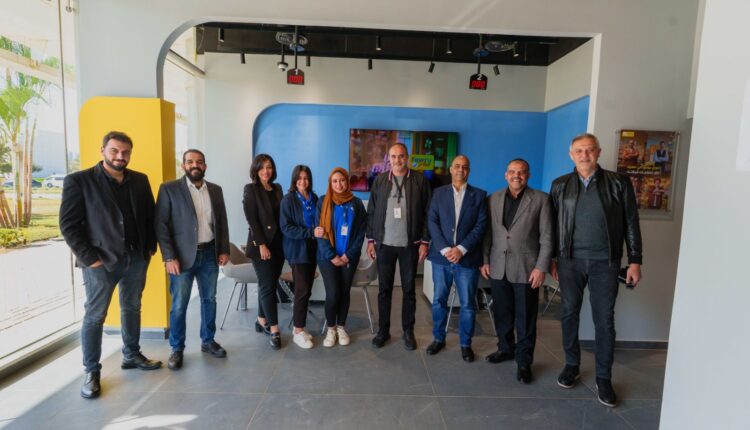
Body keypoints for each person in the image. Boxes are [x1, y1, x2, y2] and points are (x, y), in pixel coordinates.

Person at [59, 131, 161, 399]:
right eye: (115, 150)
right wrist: (90, 258)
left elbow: (150, 216)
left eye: (125, 152)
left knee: (132, 307)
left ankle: (131, 354)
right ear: (103, 150)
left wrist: (150, 248)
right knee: (95, 316)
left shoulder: (140, 180)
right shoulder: (79, 181)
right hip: (100, 262)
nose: (120, 156)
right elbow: (68, 225)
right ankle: (91, 371)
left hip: (136, 258)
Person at [549, 133, 643, 408]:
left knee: (604, 320)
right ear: (571, 154)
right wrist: (553, 259)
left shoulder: (618, 183)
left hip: (606, 262)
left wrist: (635, 260)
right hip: (569, 261)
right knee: (568, 314)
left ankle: (604, 378)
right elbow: (553, 226)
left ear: (598, 152)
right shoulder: (560, 185)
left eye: (589, 150)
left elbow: (631, 222)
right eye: (579, 151)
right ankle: (571, 365)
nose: (584, 155)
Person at [154, 149, 230, 370]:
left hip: (209, 254)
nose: (194, 165)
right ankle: (177, 348)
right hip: (181, 257)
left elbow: (222, 221)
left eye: (199, 162)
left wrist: (223, 249)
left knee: (210, 299)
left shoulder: (215, 190)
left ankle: (208, 341)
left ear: (205, 166)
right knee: (179, 305)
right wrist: (169, 257)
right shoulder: (169, 189)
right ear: (183, 165)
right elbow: (161, 225)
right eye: (190, 162)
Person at [480, 159, 553, 384]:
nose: (516, 176)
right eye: (512, 172)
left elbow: (547, 237)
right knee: (502, 313)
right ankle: (505, 348)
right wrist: (485, 260)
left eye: (521, 172)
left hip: (527, 269)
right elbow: (488, 234)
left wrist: (541, 267)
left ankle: (524, 361)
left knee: (525, 318)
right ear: (506, 175)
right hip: (498, 266)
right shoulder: (493, 199)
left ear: (528, 175)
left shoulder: (541, 199)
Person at [366, 143, 432, 350]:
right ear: (389, 159)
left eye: (401, 156)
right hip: (384, 245)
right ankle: (383, 331)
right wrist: (370, 240)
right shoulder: (380, 181)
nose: (397, 160)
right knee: (384, 290)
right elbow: (372, 211)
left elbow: (428, 213)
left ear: (407, 157)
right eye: (393, 156)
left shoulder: (420, 180)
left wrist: (424, 242)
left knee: (409, 290)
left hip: (410, 245)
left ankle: (408, 331)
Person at [424, 155, 487, 362]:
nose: (461, 170)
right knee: (438, 301)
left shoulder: (479, 195)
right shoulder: (438, 193)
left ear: (469, 171)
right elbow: (432, 222)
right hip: (441, 259)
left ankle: (465, 344)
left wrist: (460, 249)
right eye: (457, 166)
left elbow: (480, 226)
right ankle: (438, 339)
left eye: (465, 167)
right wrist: (445, 249)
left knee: (468, 304)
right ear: (451, 169)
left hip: (467, 260)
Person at [314, 167, 367, 347]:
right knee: (333, 293)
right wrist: (332, 256)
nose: (339, 184)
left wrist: (347, 256)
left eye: (342, 180)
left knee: (344, 292)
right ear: (330, 183)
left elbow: (360, 233)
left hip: (348, 258)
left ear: (347, 182)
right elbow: (319, 232)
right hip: (326, 258)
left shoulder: (357, 203)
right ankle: (331, 329)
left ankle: (341, 327)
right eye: (335, 181)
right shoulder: (323, 202)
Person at [243, 153, 285, 350]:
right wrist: (261, 244)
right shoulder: (251, 189)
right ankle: (274, 329)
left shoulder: (277, 188)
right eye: (262, 167)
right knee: (268, 286)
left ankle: (261, 320)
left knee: (269, 283)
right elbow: (251, 219)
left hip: (279, 245)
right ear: (256, 170)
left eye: (269, 167)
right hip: (261, 246)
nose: (266, 171)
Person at [279, 165, 319, 349]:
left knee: (307, 290)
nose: (303, 181)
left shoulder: (314, 198)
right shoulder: (288, 200)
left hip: (312, 249)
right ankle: (297, 331)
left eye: (306, 178)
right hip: (297, 250)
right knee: (302, 290)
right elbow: (286, 228)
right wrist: (309, 232)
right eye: (299, 178)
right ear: (294, 180)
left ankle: (301, 327)